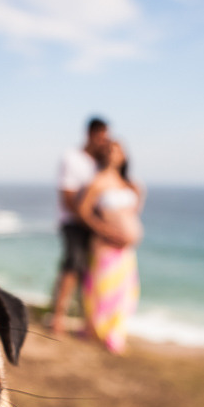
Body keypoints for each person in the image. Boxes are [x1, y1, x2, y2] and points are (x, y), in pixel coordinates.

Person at [77, 141, 143, 353]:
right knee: (103, 288)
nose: (113, 154)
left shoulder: (129, 184)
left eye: (118, 150)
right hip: (105, 244)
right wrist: (105, 231)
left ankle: (115, 333)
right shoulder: (97, 182)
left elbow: (132, 211)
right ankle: (97, 330)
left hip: (125, 249)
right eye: (109, 150)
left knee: (124, 291)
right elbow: (83, 211)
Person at [49, 117, 113, 335]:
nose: (104, 142)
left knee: (91, 270)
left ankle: (88, 320)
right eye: (102, 137)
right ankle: (58, 317)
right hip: (74, 222)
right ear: (91, 134)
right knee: (72, 267)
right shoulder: (72, 158)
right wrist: (92, 221)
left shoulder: (100, 163)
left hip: (93, 225)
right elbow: (67, 198)